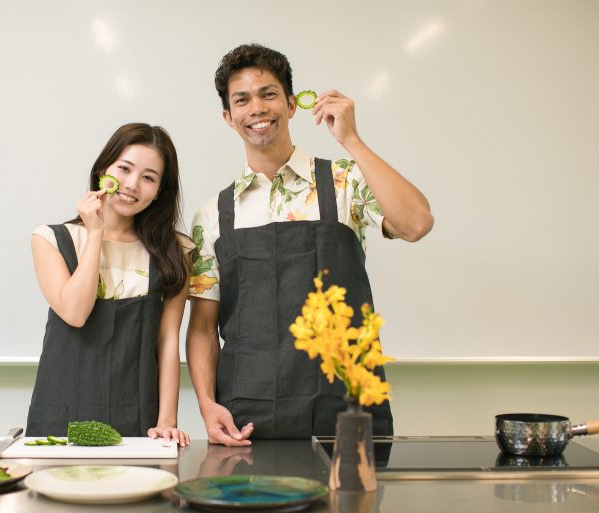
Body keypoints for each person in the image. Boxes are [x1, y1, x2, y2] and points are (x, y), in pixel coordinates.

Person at [187, 44, 434, 446]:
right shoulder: (213, 214)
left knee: (352, 509)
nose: (257, 109)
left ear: (290, 104)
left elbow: (417, 223)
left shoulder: (344, 182)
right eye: (242, 100)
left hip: (345, 409)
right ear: (228, 118)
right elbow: (201, 325)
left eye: (268, 94)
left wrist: (351, 139)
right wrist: (204, 403)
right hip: (247, 415)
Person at [27, 123, 191, 447]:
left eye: (148, 177)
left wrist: (168, 421)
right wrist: (95, 233)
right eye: (124, 169)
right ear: (104, 169)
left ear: (160, 190)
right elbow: (75, 312)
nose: (131, 185)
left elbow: (168, 339)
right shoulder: (50, 239)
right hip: (62, 415)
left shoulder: (178, 251)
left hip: (140, 416)